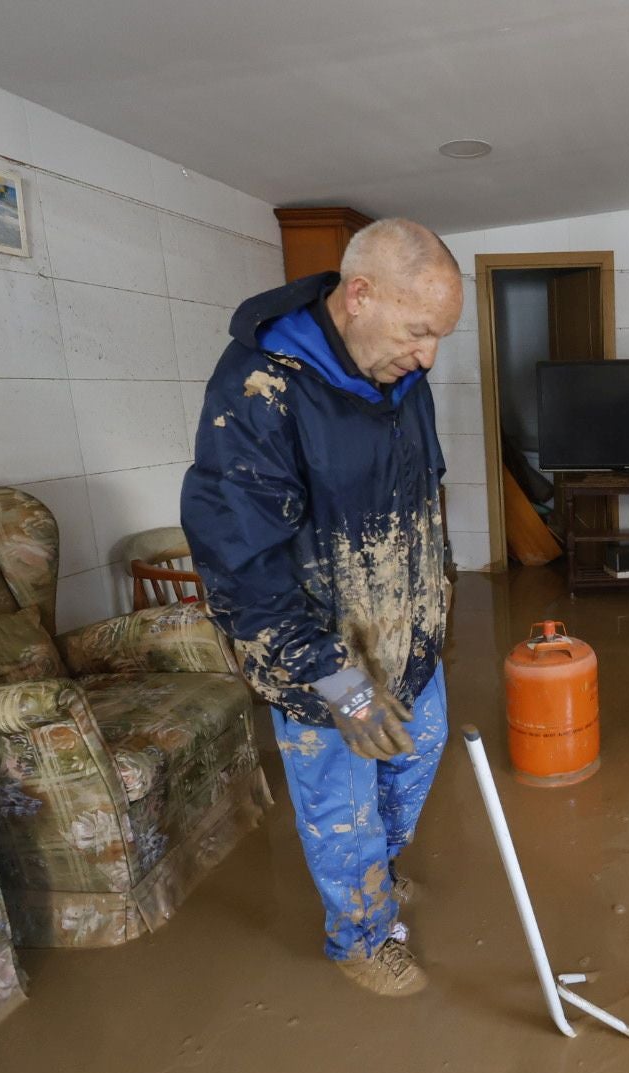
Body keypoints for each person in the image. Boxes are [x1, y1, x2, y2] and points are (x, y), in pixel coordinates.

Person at [181, 218, 463, 996]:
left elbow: (421, 502)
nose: (429, 355)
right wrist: (340, 685)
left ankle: (378, 869)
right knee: (342, 810)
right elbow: (239, 567)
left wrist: (440, 600)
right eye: (419, 332)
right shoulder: (260, 388)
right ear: (360, 294)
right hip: (323, 666)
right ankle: (360, 936)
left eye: (440, 336)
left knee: (414, 759)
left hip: (410, 641)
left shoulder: (400, 376)